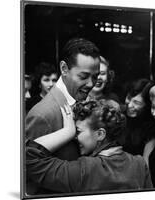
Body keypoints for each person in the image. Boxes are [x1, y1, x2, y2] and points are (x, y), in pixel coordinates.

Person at [26, 100, 153, 193]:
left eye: (78, 131)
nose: (75, 137)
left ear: (100, 134)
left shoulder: (85, 170)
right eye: (74, 132)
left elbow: (30, 157)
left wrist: (67, 131)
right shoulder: (140, 164)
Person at [25, 38, 100, 194]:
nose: (91, 83)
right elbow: (29, 178)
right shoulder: (42, 114)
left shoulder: (90, 102)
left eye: (95, 77)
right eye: (84, 76)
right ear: (64, 68)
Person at [123, 79, 155, 155]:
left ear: (147, 106)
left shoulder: (151, 129)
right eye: (128, 98)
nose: (129, 105)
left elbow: (146, 163)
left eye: (137, 102)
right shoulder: (120, 115)